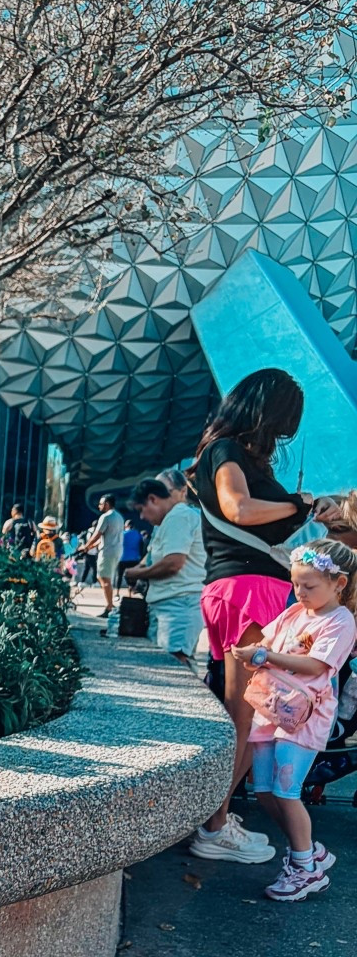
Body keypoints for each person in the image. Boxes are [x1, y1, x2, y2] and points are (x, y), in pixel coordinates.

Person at [187, 368, 317, 864]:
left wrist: (304, 509)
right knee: (245, 715)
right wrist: (297, 502)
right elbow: (238, 509)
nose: (282, 435)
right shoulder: (227, 451)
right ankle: (214, 827)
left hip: (243, 589)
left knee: (246, 713)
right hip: (248, 590)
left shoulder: (231, 453)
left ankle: (216, 817)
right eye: (281, 422)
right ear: (263, 412)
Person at [231, 538, 357, 902]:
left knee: (286, 792)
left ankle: (305, 867)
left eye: (309, 586)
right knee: (265, 790)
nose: (300, 592)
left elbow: (316, 665)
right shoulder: (294, 613)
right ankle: (308, 850)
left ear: (338, 584)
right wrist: (253, 652)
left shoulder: (341, 621)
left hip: (304, 719)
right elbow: (268, 641)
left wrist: (264, 656)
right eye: (296, 583)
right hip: (271, 709)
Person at [125, 476, 206, 663]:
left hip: (179, 605)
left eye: (141, 509)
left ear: (153, 499)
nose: (142, 517)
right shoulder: (169, 520)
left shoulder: (179, 516)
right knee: (166, 665)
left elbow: (173, 563)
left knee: (174, 666)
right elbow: (154, 557)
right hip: (170, 604)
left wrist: (136, 573)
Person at [75, 494, 125, 625]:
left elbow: (97, 535)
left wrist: (86, 546)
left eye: (101, 504)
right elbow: (106, 537)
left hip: (107, 551)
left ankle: (109, 607)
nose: (99, 506)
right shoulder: (119, 517)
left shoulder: (105, 517)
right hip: (116, 550)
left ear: (107, 504)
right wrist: (89, 547)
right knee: (106, 578)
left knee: (104, 578)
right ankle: (110, 605)